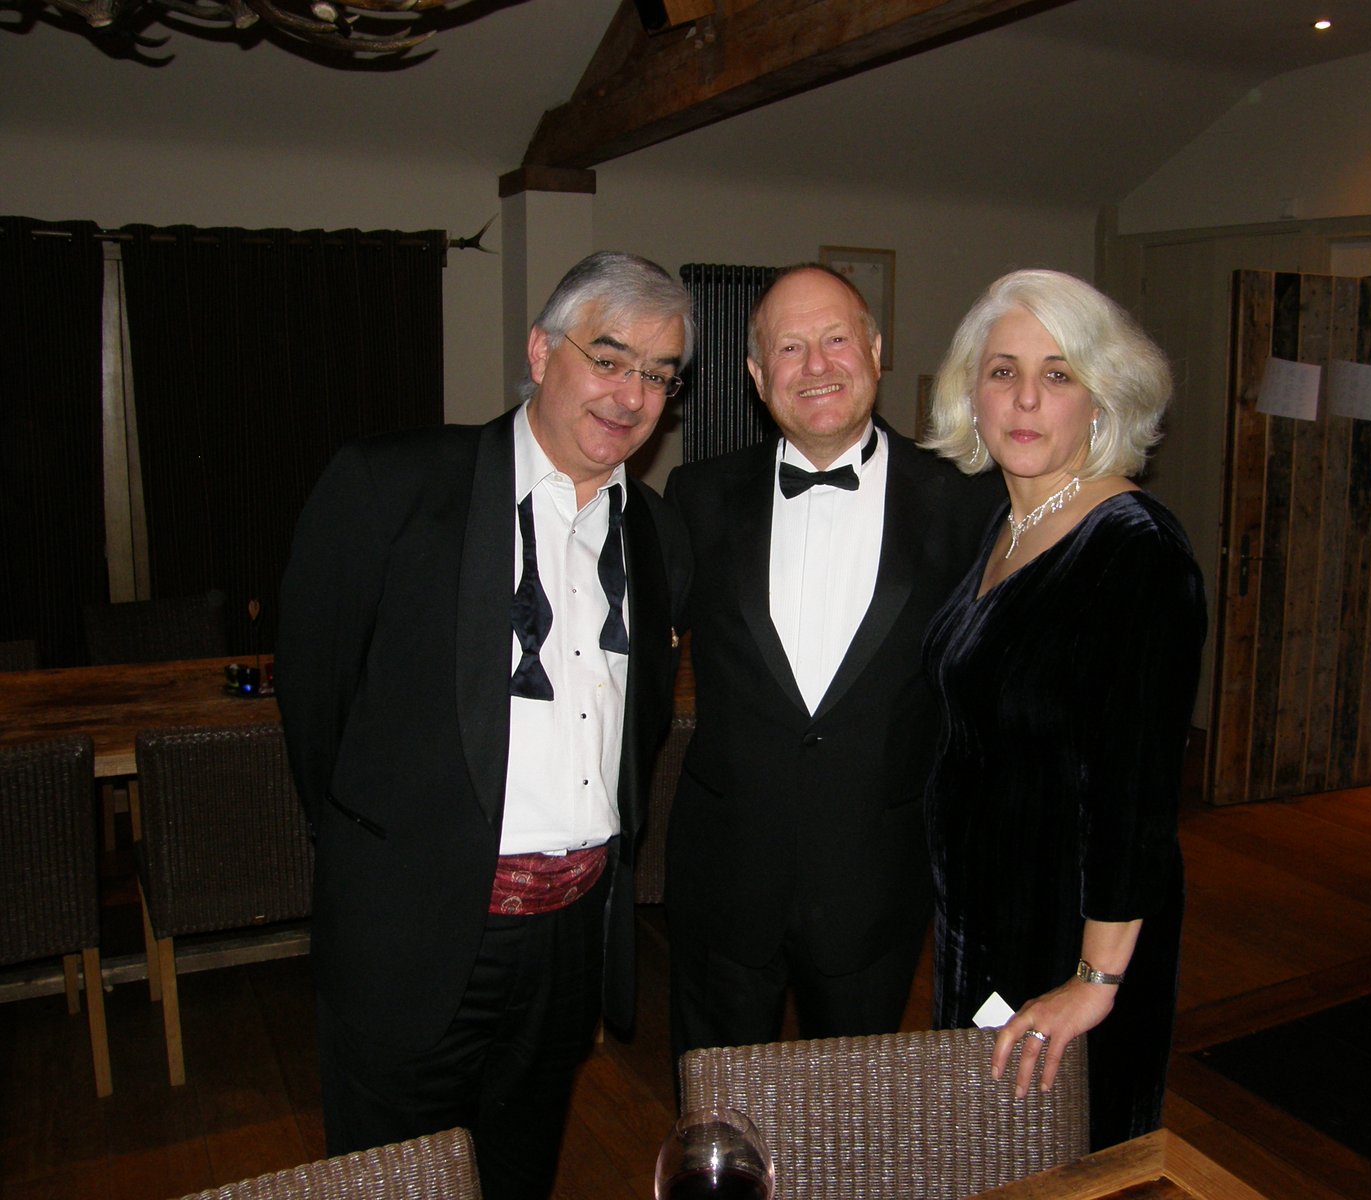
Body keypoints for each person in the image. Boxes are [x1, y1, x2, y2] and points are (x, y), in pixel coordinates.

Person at [275, 251, 694, 1200]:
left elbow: (637, 733)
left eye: (659, 375)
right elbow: (315, 703)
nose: (633, 396)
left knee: (518, 1176)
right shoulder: (391, 486)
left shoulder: (660, 535)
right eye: (609, 358)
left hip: (570, 942)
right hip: (417, 933)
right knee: (395, 1183)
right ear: (542, 353)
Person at [664, 264, 1000, 1063]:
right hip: (726, 877)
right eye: (790, 347)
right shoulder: (695, 497)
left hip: (876, 883)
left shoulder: (967, 501)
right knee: (716, 1107)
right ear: (757, 376)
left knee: (853, 1112)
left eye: (836, 339)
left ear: (876, 352)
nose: (816, 365)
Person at [920, 268, 1206, 1150]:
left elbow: (1138, 797)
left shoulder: (1134, 551)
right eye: (1003, 371)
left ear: (1101, 397)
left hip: (1071, 935)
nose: (1026, 399)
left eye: (1058, 374)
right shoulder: (1006, 524)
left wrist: (1094, 981)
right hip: (983, 918)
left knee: (1065, 1160)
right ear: (971, 391)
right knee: (988, 1154)